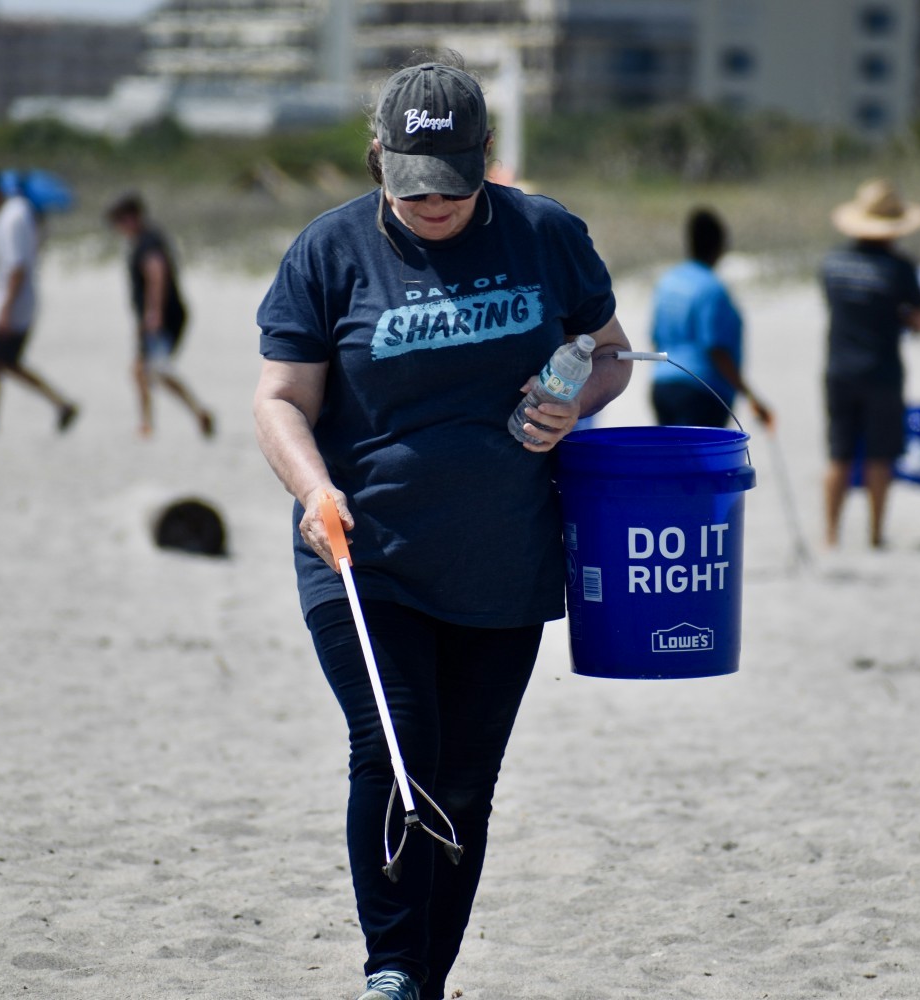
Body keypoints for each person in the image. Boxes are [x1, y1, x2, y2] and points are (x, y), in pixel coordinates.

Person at [252, 57, 632, 1000]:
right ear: (376, 155)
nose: (435, 205)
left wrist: (577, 398)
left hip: (506, 560)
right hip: (363, 553)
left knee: (465, 784)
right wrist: (312, 491)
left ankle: (424, 978)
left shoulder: (547, 234)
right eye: (413, 186)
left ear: (487, 158)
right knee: (394, 753)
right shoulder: (329, 251)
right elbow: (279, 400)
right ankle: (388, 968)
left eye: (456, 187)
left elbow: (615, 354)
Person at [819, 178, 920, 549]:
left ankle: (831, 534)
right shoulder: (900, 268)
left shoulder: (832, 263)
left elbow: (839, 307)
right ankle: (875, 534)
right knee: (880, 455)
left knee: (839, 454)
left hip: (838, 368)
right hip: (882, 369)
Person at [0, 168, 79, 433]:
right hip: (3, 302)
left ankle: (57, 404)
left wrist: (5, 309)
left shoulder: (14, 217)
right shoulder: (7, 217)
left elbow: (17, 267)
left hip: (11, 304)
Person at [648, 208, 773, 429]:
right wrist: (751, 397)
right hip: (702, 391)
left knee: (671, 461)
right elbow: (716, 349)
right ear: (720, 245)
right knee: (700, 463)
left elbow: (656, 338)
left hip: (662, 386)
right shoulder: (713, 289)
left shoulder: (669, 281)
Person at [105, 193, 215, 439]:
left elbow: (157, 273)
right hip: (164, 316)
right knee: (146, 370)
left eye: (119, 221)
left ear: (131, 217)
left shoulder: (148, 241)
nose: (118, 228)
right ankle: (192, 414)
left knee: (150, 370)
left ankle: (151, 423)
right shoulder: (145, 239)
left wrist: (153, 313)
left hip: (164, 317)